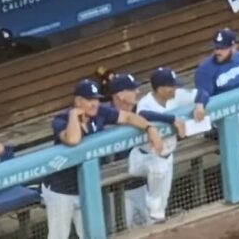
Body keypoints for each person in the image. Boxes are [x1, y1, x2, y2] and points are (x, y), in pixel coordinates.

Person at [41, 79, 164, 239]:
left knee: (91, 235)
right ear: (78, 101)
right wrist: (74, 116)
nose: (95, 104)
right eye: (89, 100)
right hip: (61, 190)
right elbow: (72, 140)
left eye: (96, 99)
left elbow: (128, 117)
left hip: (86, 188)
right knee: (59, 236)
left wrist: (149, 128)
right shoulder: (61, 120)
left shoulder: (100, 113)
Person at [105, 73, 190, 227]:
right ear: (120, 95)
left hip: (144, 182)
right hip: (115, 189)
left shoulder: (143, 108)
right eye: (132, 89)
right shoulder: (105, 116)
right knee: (118, 231)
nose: (137, 92)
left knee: (154, 226)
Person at [126, 68, 207, 225]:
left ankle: (157, 221)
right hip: (143, 157)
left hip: (167, 154)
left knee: (161, 203)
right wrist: (172, 119)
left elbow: (202, 94)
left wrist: (200, 106)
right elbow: (143, 114)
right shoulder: (146, 102)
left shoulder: (177, 95)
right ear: (160, 88)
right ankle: (152, 213)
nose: (175, 89)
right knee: (158, 169)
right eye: (171, 86)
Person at [195, 28, 239, 128]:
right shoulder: (206, 68)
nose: (218, 52)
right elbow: (203, 91)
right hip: (230, 113)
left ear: (234, 47)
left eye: (223, 48)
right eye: (216, 48)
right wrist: (200, 103)